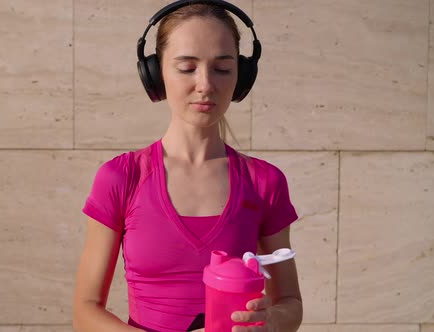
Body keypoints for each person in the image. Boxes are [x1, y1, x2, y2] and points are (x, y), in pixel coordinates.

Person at [73, 1, 302, 331]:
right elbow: (85, 310)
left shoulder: (265, 182)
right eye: (187, 68)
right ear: (155, 73)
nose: (206, 84)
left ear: (242, 77)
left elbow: (290, 302)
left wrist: (271, 322)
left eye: (222, 69)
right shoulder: (122, 178)